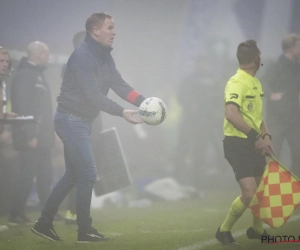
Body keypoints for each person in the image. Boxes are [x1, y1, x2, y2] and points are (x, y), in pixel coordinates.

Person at [31, 12, 145, 243]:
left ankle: (43, 224)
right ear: (95, 31)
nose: (114, 32)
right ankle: (85, 230)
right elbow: (93, 96)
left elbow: (118, 84)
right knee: (88, 173)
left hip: (79, 120)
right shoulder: (83, 56)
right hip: (71, 120)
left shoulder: (103, 56)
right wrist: (122, 112)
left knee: (72, 176)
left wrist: (144, 102)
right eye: (110, 27)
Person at [215, 40, 274, 245]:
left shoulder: (255, 82)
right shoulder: (236, 82)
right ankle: (223, 231)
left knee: (261, 190)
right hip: (238, 144)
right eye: (259, 55)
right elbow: (231, 114)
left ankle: (256, 230)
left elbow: (255, 116)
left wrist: (266, 136)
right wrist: (256, 138)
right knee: (249, 193)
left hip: (254, 142)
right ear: (255, 60)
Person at [9, 41, 54, 225]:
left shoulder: (37, 75)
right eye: (46, 54)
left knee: (45, 175)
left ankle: (47, 212)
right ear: (38, 54)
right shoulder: (25, 75)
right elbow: (22, 106)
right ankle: (16, 214)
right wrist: (29, 135)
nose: (48, 58)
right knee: (26, 175)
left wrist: (51, 133)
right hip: (32, 136)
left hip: (42, 135)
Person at [263, 34, 300, 177]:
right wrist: (271, 94)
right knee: (274, 156)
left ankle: (291, 187)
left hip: (295, 118)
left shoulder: (298, 68)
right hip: (277, 118)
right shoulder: (276, 66)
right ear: (290, 48)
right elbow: (261, 83)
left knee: (298, 154)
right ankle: (271, 191)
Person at [0, 47, 15, 232]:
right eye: (1, 62)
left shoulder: (3, 82)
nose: (4, 65)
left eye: (6, 62)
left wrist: (7, 115)